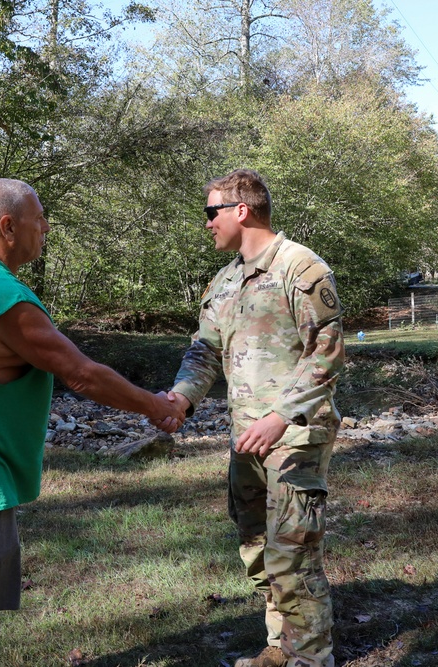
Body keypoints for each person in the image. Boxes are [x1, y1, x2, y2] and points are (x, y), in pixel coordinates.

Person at [0, 178, 186, 667]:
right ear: (8, 226)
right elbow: (83, 375)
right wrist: (157, 406)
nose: (46, 228)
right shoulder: (5, 300)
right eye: (39, 219)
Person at [169, 169, 344, 667]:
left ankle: (311, 658)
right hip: (246, 438)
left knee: (293, 553)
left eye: (211, 213)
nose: (207, 224)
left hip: (296, 435)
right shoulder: (224, 281)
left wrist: (279, 416)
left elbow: (326, 355)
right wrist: (180, 399)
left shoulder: (301, 268)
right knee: (256, 548)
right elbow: (203, 351)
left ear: (240, 211)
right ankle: (280, 645)